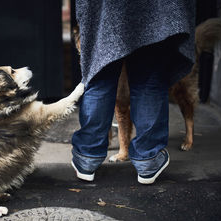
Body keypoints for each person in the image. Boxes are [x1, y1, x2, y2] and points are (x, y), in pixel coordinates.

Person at [71, 0, 196, 184]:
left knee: (100, 77)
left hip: (105, 10)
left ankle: (87, 159)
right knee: (149, 81)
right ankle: (148, 161)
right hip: (154, 10)